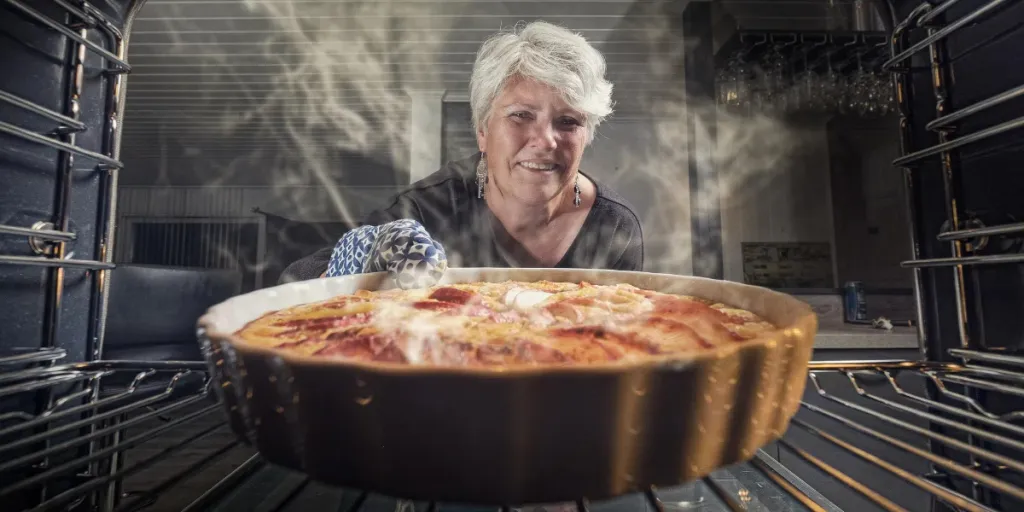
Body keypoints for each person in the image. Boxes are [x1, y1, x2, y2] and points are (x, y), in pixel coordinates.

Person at [281, 21, 644, 283]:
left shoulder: (614, 227)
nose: (546, 140)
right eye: (520, 115)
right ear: (483, 131)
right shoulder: (430, 208)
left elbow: (624, 344)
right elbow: (296, 284)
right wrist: (357, 263)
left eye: (568, 121)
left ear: (587, 135)